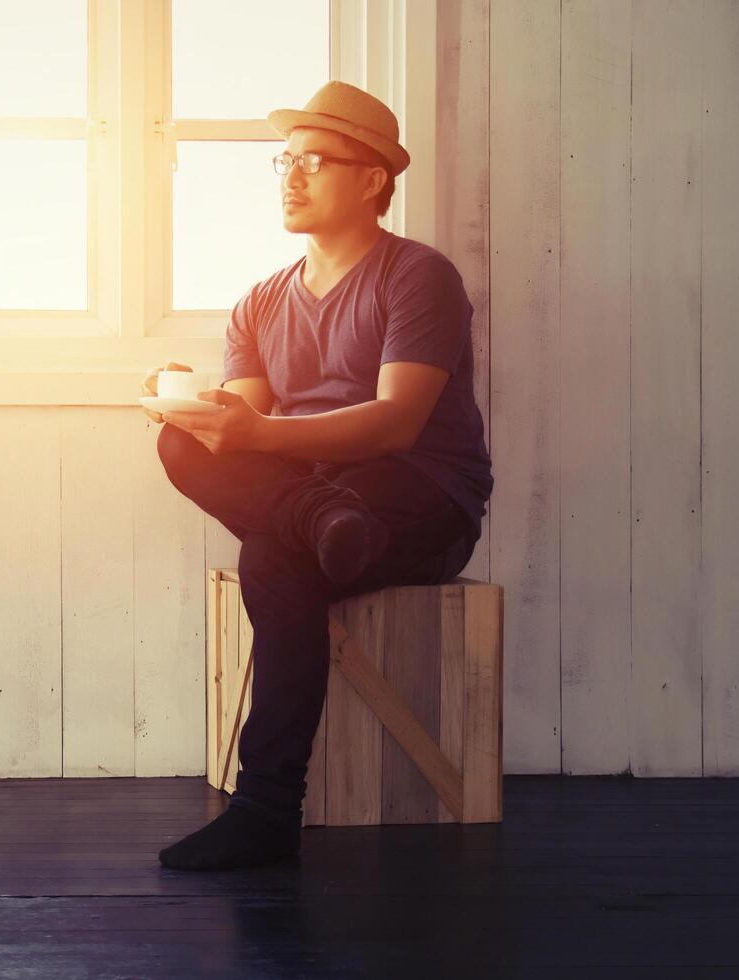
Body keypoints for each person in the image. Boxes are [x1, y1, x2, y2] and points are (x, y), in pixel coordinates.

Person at [144, 80, 493, 871]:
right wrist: (188, 412)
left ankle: (265, 812)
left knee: (274, 554)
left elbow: (399, 420)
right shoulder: (258, 304)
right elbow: (242, 429)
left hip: (417, 496)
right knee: (176, 447)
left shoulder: (417, 276)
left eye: (315, 160)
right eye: (285, 161)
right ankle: (313, 517)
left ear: (373, 180)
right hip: (329, 512)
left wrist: (258, 432)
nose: (291, 177)